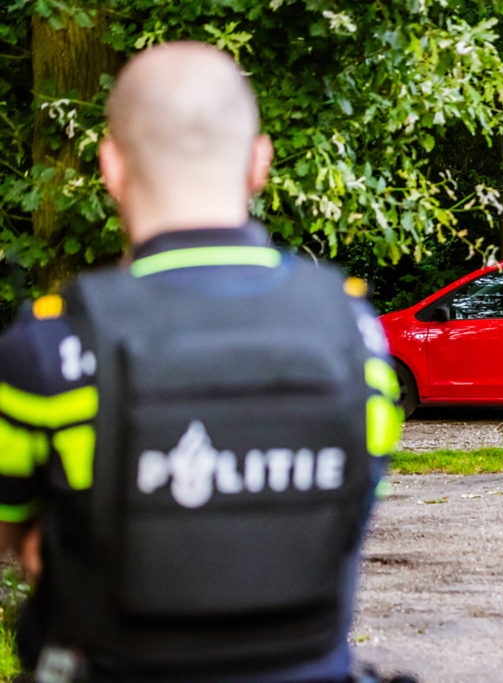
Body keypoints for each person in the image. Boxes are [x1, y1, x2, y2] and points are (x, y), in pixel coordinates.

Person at [0, 42, 407, 683]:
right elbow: (348, 517)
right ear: (259, 162)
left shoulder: (46, 350)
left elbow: (19, 537)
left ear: (111, 165)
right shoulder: (358, 338)